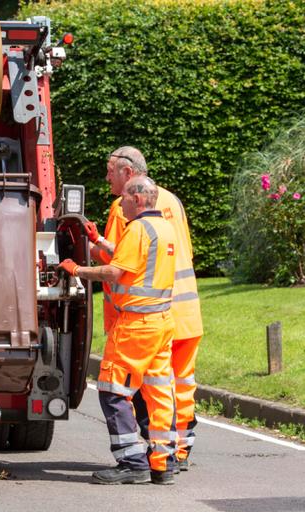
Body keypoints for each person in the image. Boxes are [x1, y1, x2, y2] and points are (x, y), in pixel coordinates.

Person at [86, 146, 204, 470]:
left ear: (127, 173)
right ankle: (175, 453)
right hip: (184, 312)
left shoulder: (124, 207)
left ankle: (141, 457)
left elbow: (119, 261)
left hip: (143, 314)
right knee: (176, 386)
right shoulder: (172, 202)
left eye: (110, 171)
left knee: (133, 389)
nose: (107, 178)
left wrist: (85, 251)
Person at [59, 175, 178, 485]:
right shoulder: (164, 228)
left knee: (113, 390)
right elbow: (132, 259)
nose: (120, 203)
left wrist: (77, 270)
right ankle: (163, 463)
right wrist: (99, 240)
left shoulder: (137, 229)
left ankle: (132, 462)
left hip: (136, 326)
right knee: (158, 392)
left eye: (123, 197)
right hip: (161, 323)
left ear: (137, 199)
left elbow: (115, 272)